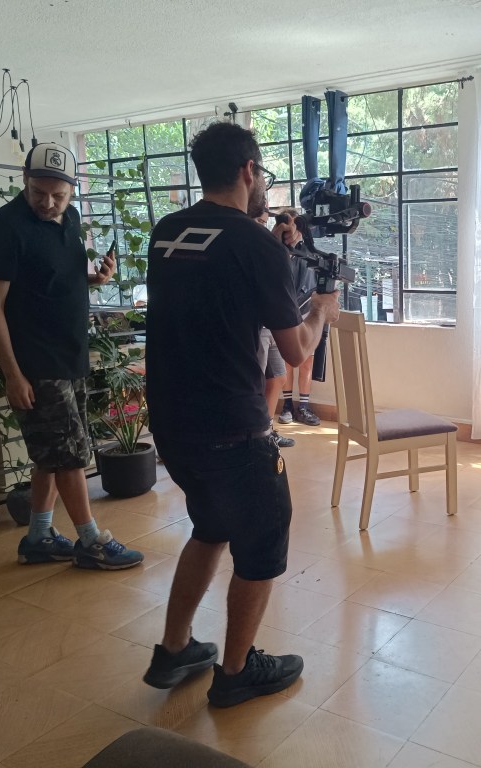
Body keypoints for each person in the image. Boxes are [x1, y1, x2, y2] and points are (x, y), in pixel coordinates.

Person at [141, 122, 340, 708]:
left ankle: (175, 649)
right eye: (264, 177)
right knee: (261, 543)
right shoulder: (255, 245)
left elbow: (216, 292)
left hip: (173, 421)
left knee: (210, 526)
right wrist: (322, 309)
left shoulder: (167, 232)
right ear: (249, 170)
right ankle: (234, 673)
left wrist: (279, 256)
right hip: (232, 426)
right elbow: (296, 350)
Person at [0, 142, 144, 570]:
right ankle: (91, 542)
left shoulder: (68, 219)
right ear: (25, 180)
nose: (48, 203)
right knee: (70, 455)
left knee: (52, 454)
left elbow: (52, 280)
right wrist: (13, 374)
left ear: (72, 191)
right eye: (39, 193)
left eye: (59, 195)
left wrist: (95, 278)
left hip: (71, 354)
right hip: (36, 362)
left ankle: (38, 536)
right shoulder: (5, 228)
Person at [276, 208, 321, 427]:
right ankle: (287, 406)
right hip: (285, 311)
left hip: (307, 311)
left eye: (296, 225)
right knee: (287, 361)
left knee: (306, 361)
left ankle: (303, 406)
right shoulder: (276, 251)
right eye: (288, 226)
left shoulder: (310, 252)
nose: (292, 231)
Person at [254, 208, 295, 448]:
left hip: (274, 324)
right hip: (256, 325)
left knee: (279, 377)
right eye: (259, 222)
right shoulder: (254, 247)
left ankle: (267, 431)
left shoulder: (281, 249)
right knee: (257, 382)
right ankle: (259, 432)